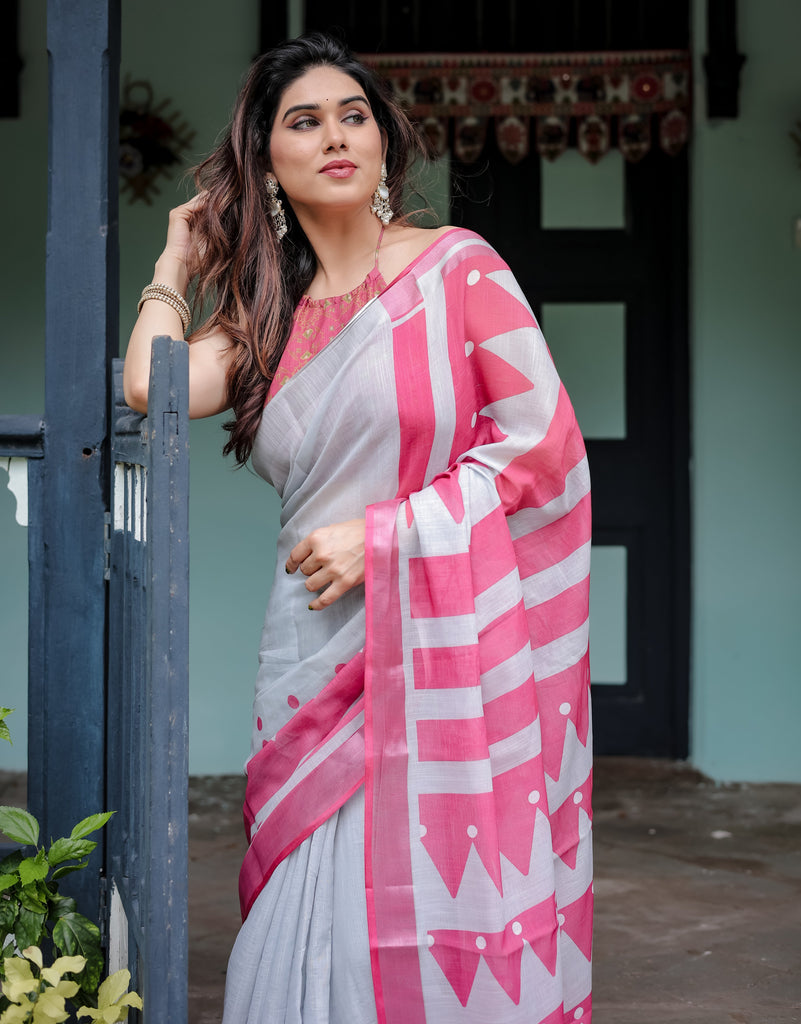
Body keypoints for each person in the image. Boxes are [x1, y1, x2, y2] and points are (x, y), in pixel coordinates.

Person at [124, 32, 593, 1024]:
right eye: (305, 121)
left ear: (384, 141)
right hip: (311, 649)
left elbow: (541, 445)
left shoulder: (459, 269)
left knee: (431, 877)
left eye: (354, 115)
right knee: (306, 894)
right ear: (266, 160)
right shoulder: (261, 318)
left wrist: (388, 534)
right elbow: (150, 388)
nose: (336, 136)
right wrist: (175, 261)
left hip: (438, 642)